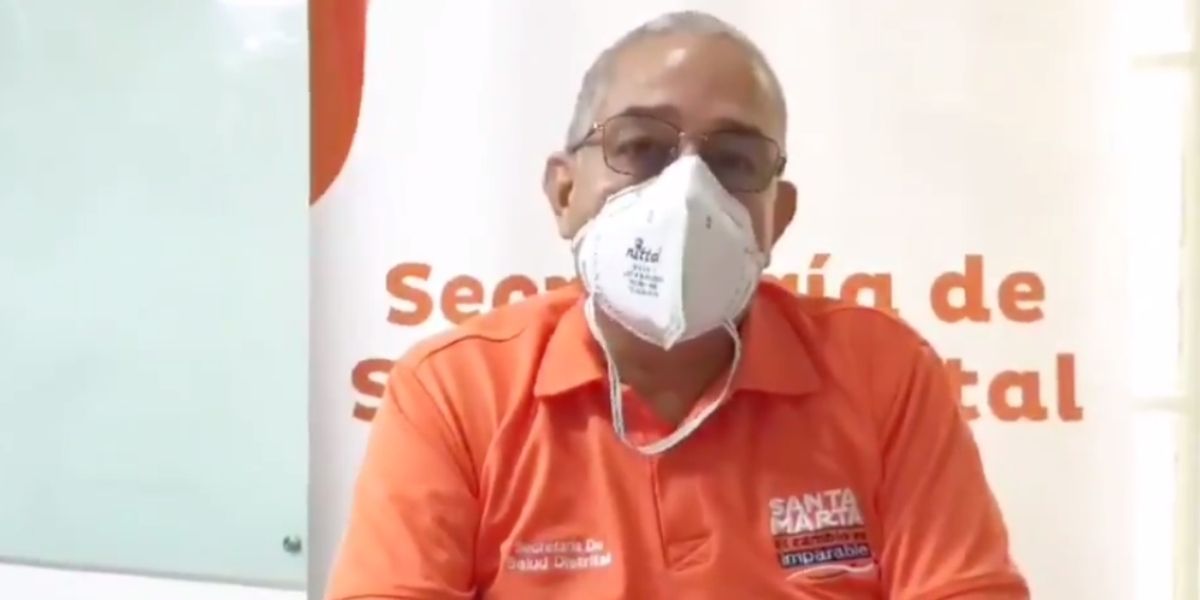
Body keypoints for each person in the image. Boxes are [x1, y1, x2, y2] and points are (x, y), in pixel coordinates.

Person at [327, 10, 1029, 600]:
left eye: (734, 160)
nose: (688, 191)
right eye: (641, 147)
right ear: (564, 193)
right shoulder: (455, 392)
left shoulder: (883, 375)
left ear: (777, 217)